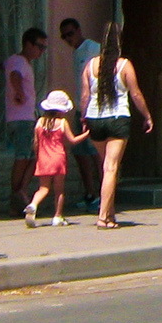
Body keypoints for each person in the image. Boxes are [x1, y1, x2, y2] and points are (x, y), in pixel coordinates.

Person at [82, 21, 153, 229]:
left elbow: (85, 95)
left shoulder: (91, 65)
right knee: (111, 168)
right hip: (117, 119)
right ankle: (103, 217)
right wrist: (147, 115)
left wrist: (83, 118)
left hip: (95, 119)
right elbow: (136, 93)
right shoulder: (124, 65)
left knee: (106, 169)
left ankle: (110, 214)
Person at [24, 91, 90, 226]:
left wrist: (38, 156)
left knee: (43, 188)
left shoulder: (40, 122)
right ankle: (58, 216)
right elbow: (72, 140)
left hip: (43, 158)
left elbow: (36, 143)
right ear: (61, 110)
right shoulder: (62, 123)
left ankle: (33, 204)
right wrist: (88, 133)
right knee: (59, 190)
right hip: (58, 159)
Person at [58, 18, 103, 203]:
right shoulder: (77, 52)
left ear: (78, 30)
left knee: (96, 153)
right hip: (80, 108)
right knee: (79, 152)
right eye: (64, 36)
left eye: (70, 33)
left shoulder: (92, 48)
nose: (68, 38)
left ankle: (104, 194)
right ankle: (90, 194)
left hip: (94, 108)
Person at [3, 27, 47, 214]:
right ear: (28, 44)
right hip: (21, 119)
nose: (41, 51)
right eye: (39, 46)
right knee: (23, 156)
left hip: (25, 117)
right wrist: (19, 93)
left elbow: (6, 69)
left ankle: (21, 191)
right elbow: (14, 76)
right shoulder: (19, 61)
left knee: (32, 156)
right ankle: (16, 196)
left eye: (44, 48)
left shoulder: (18, 61)